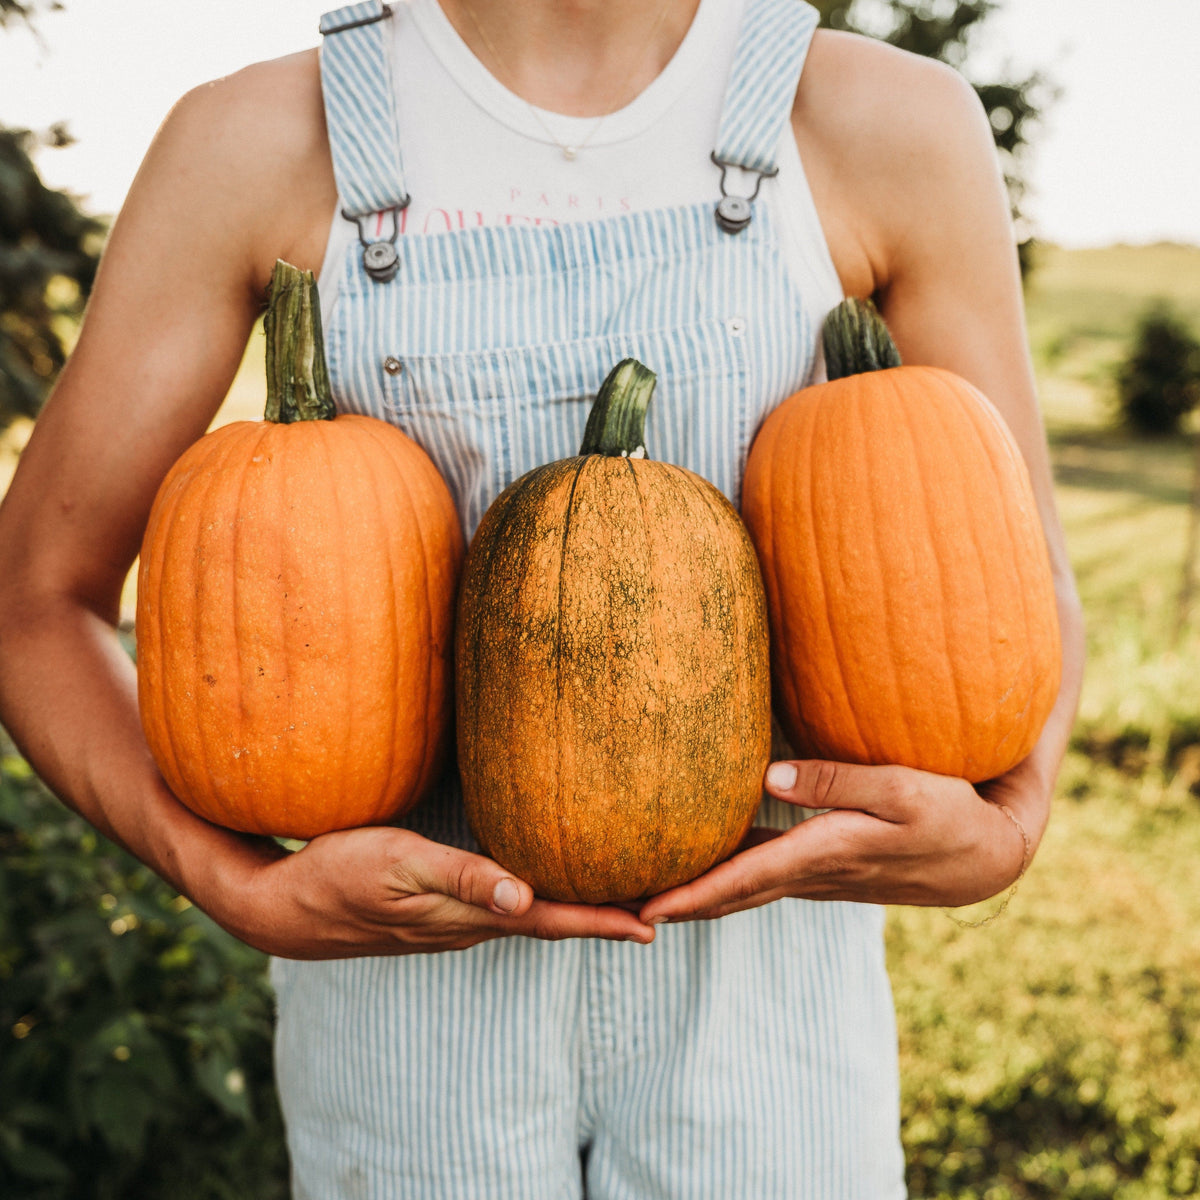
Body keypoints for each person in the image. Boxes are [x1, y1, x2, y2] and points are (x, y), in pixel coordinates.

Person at [0, 0, 1084, 1195]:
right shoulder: (254, 141)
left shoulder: (883, 122)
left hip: (773, 1044)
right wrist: (231, 882)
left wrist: (1013, 821)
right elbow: (34, 602)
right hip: (403, 1050)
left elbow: (1011, 569)